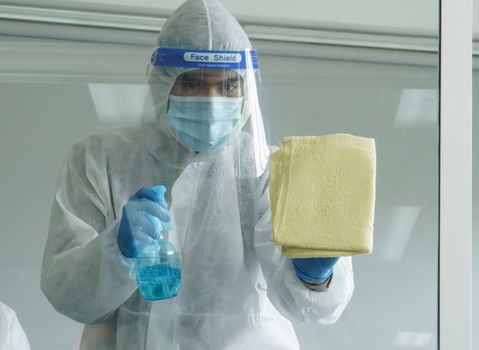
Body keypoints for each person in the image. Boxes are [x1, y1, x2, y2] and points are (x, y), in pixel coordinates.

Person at [41, 0, 354, 349]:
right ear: (161, 83)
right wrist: (116, 250)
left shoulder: (269, 169)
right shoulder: (100, 160)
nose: (211, 101)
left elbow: (308, 308)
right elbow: (67, 294)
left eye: (227, 87)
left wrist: (314, 277)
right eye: (192, 84)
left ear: (245, 90)